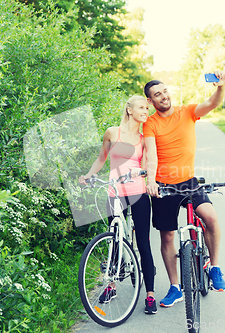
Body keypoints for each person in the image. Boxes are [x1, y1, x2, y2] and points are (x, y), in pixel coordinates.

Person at [143, 71, 225, 308]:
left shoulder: (187, 112)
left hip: (189, 181)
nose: (163, 97)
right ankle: (175, 287)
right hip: (163, 184)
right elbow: (151, 155)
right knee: (167, 235)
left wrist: (221, 87)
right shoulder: (150, 123)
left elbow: (212, 103)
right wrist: (151, 180)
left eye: (164, 92)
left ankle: (214, 267)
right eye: (157, 95)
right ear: (150, 101)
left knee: (210, 217)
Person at [79, 95, 157, 314]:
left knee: (143, 243)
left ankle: (150, 295)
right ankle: (111, 285)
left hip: (139, 193)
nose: (146, 110)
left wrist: (145, 174)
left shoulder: (143, 138)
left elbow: (148, 162)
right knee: (114, 239)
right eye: (142, 107)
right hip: (114, 192)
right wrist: (88, 175)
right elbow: (101, 158)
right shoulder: (113, 132)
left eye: (147, 108)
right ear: (129, 110)